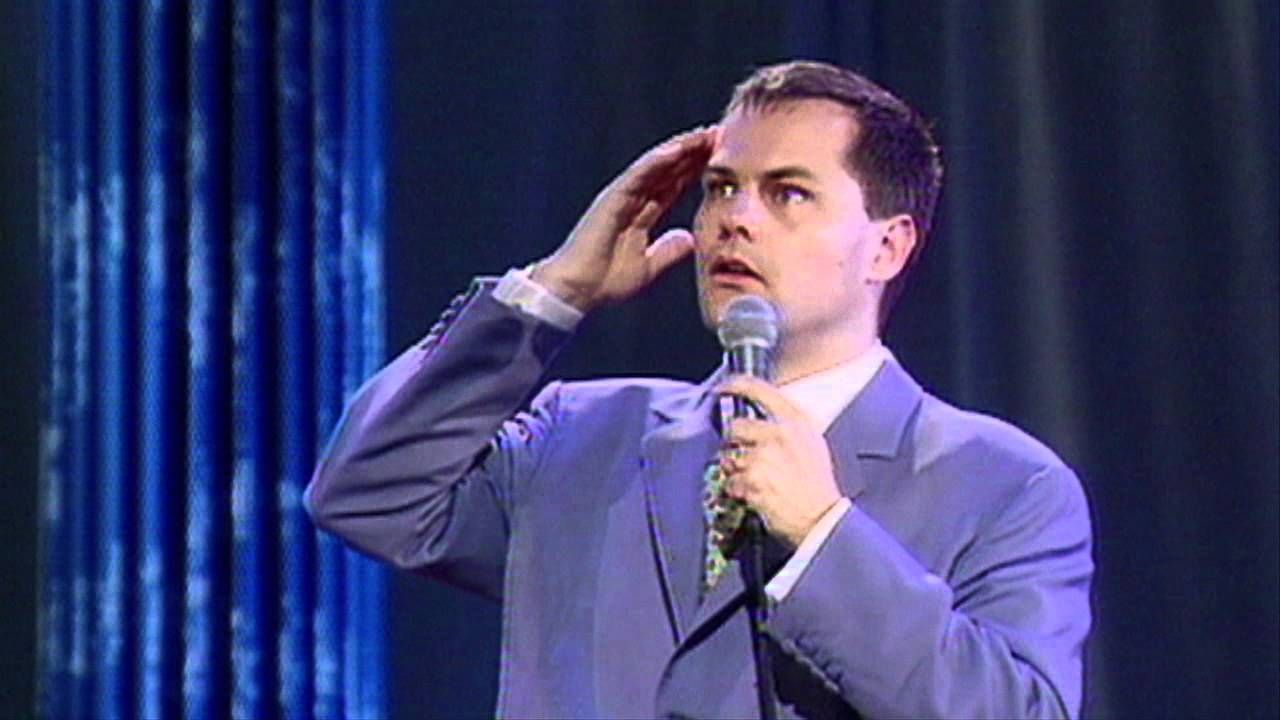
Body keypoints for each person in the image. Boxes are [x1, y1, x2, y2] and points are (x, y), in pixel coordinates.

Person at [306, 60, 1094, 719]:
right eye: (720, 188)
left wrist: (823, 534)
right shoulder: (579, 435)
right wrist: (554, 292)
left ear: (888, 246)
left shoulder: (1004, 485)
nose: (734, 220)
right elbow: (367, 492)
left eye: (787, 193)